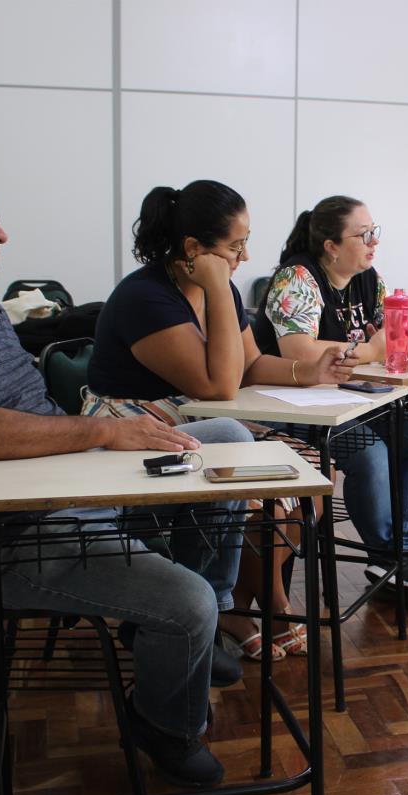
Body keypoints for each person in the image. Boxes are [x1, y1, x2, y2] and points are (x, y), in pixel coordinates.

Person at [0, 161, 256, 787]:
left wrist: (106, 429)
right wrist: (102, 430)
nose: (0, 233)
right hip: (9, 539)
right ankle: (167, 722)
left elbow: (35, 416)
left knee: (227, 437)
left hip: (73, 482)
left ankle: (171, 635)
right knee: (187, 601)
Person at [85, 180, 364, 658]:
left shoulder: (222, 291)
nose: (245, 257)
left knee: (314, 473)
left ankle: (245, 599)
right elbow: (216, 385)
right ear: (194, 249)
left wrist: (307, 370)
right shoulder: (145, 298)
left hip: (193, 416)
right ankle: (248, 605)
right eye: (236, 246)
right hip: (135, 426)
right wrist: (216, 286)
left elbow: (250, 365)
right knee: (262, 486)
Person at [257, 195, 408, 599]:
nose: (373, 243)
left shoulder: (369, 278)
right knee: (371, 453)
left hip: (356, 399)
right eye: (363, 235)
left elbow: (403, 342)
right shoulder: (298, 278)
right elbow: (301, 353)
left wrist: (369, 349)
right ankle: (386, 555)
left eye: (374, 232)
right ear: (331, 246)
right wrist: (370, 349)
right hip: (295, 404)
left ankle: (405, 555)